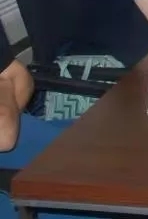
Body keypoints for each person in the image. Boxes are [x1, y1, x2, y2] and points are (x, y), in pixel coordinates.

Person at [0, 28, 90, 219]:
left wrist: (7, 112)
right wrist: (4, 84)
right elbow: (3, 136)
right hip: (12, 174)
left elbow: (19, 76)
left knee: (123, 147)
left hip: (21, 128)